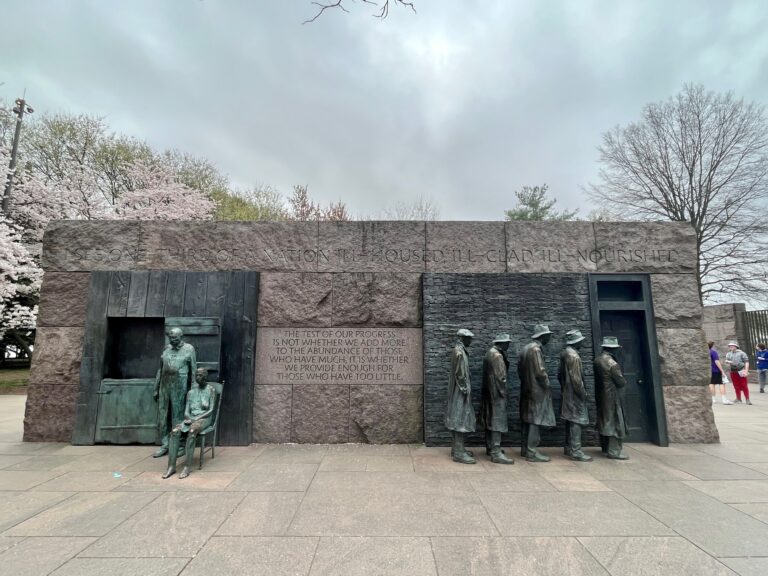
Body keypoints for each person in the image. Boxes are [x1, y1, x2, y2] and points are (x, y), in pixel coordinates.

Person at [163, 367, 217, 479]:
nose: (198, 377)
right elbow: (187, 411)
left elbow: (211, 410)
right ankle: (171, 466)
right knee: (174, 431)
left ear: (206, 376)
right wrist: (188, 418)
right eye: (197, 375)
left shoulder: (211, 390)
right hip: (191, 418)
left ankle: (187, 467)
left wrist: (196, 419)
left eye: (200, 375)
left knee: (192, 431)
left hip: (204, 418)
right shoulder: (191, 392)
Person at [153, 327, 197, 457]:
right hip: (165, 385)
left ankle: (179, 445)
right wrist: (156, 388)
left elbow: (194, 371)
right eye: (171, 338)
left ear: (181, 337)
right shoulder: (166, 349)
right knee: (163, 415)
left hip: (180, 386)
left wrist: (193, 391)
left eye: (175, 338)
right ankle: (165, 444)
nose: (173, 340)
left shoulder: (189, 349)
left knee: (178, 417)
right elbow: (160, 370)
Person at [518, 324, 556, 463]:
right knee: (535, 420)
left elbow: (520, 370)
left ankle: (525, 448)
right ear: (543, 336)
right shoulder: (535, 350)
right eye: (548, 335)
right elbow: (540, 372)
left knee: (527, 419)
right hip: (537, 391)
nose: (550, 337)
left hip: (527, 389)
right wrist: (547, 385)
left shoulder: (525, 349)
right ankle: (532, 452)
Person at [479, 333, 513, 464]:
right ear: (501, 343)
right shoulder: (497, 356)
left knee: (490, 419)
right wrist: (504, 394)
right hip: (497, 394)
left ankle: (490, 447)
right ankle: (496, 452)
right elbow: (501, 378)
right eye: (507, 342)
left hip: (489, 392)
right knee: (497, 421)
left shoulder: (489, 353)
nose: (508, 345)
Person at [558, 329, 592, 462]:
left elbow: (559, 374)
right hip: (575, 394)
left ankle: (568, 447)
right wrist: (583, 394)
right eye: (581, 341)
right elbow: (577, 380)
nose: (582, 343)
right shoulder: (574, 356)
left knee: (570, 419)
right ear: (577, 341)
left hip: (567, 392)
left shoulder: (565, 353)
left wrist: (564, 388)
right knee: (576, 420)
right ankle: (576, 451)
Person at [594, 336, 629, 460]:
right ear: (612, 349)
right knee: (614, 421)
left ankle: (605, 447)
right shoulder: (612, 363)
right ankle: (614, 451)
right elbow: (620, 382)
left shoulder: (597, 360)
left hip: (600, 394)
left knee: (604, 419)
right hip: (612, 396)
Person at [445, 328, 476, 464]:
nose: (471, 341)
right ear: (463, 338)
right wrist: (465, 389)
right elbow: (460, 374)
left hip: (459, 390)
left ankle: (458, 448)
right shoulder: (459, 352)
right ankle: (458, 452)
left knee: (459, 418)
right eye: (469, 338)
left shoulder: (459, 351)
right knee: (460, 419)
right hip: (461, 391)